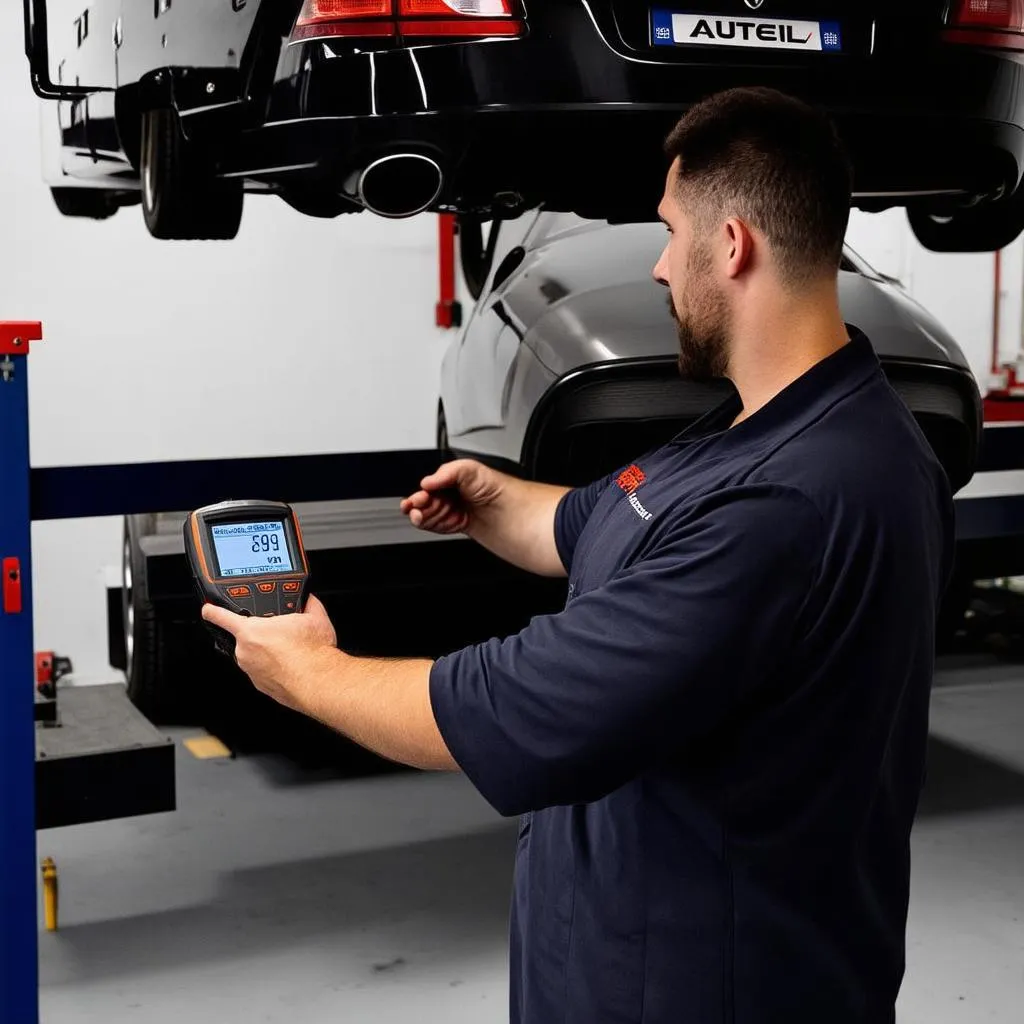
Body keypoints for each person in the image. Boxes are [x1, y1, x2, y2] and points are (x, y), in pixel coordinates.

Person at [204, 87, 954, 1023]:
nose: (659, 265)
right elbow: (602, 520)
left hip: (703, 985)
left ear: (732, 246)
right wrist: (495, 500)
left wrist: (307, 672)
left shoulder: (782, 503)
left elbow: (503, 709)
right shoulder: (798, 430)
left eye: (672, 232)